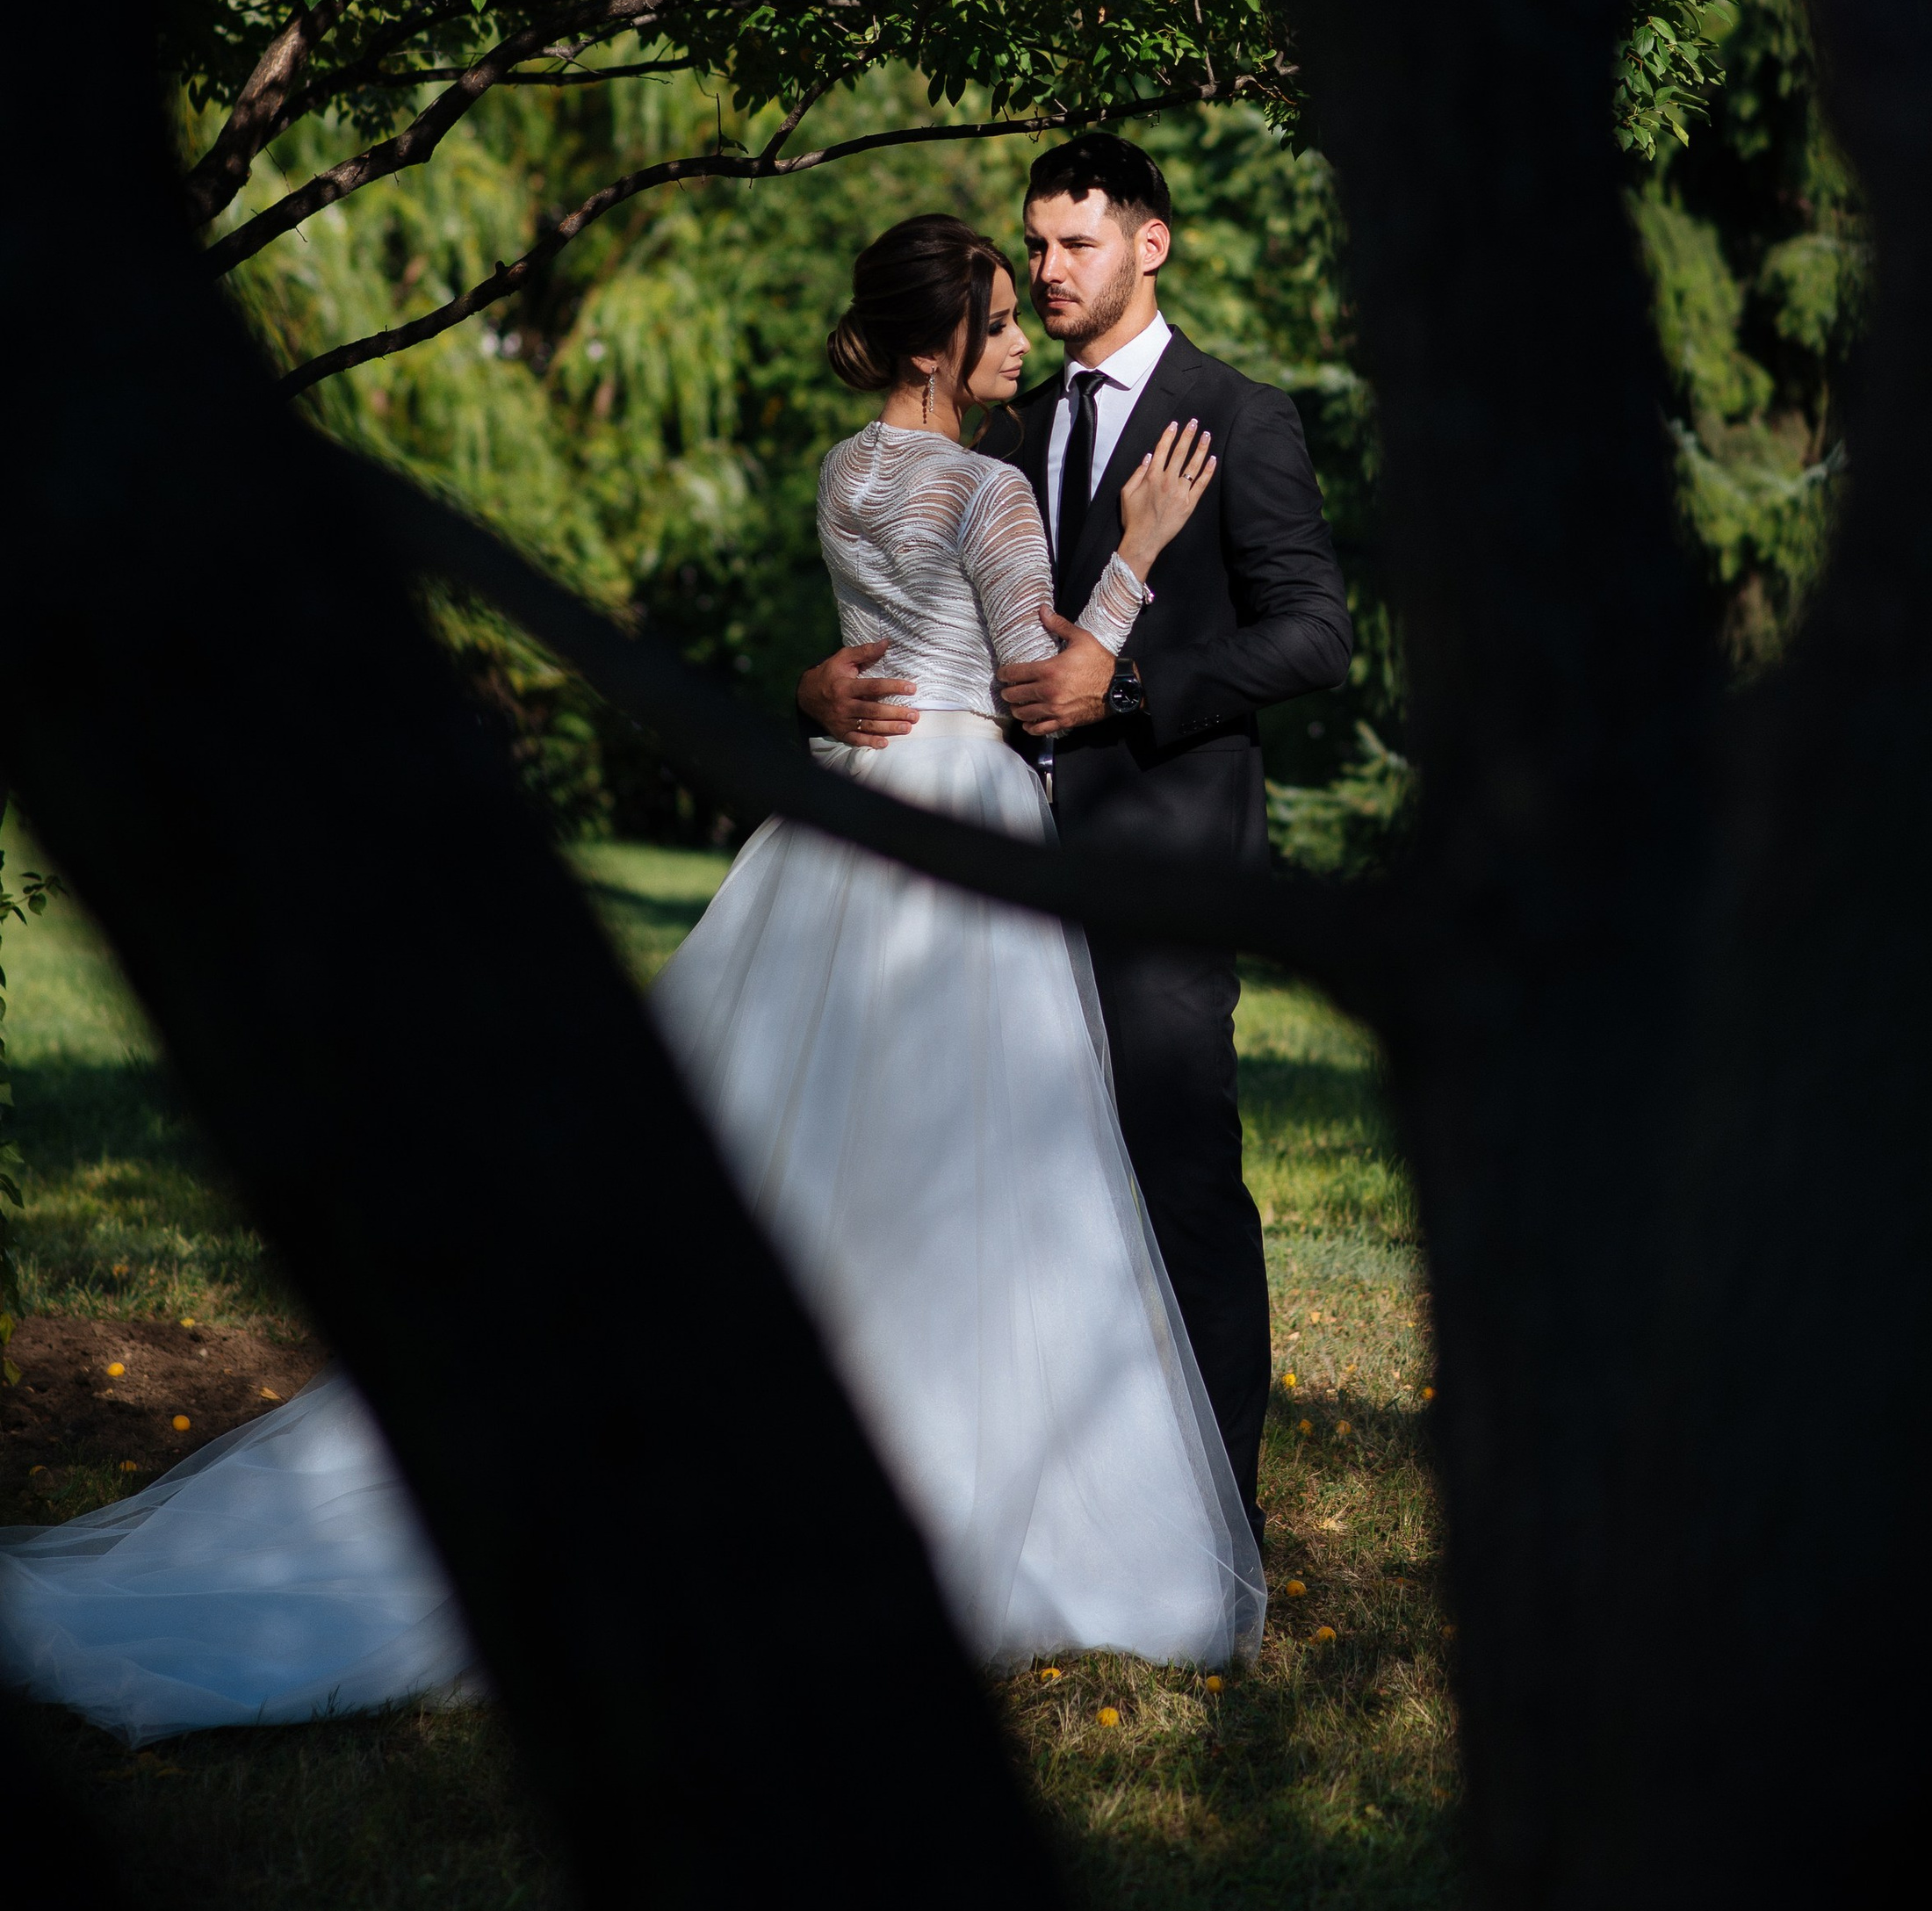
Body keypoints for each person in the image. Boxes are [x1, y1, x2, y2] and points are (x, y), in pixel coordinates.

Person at [0, 214, 1265, 1745]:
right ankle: (978, 1492)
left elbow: (873, 656)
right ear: (946, 345)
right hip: (959, 834)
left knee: (807, 1150)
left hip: (848, 830)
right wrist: (1134, 553)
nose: (1017, 344)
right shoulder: (990, 485)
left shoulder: (846, 472)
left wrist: (819, 702)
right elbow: (1038, 697)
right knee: (983, 1163)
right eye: (999, 323)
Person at [797, 138, 1353, 1536]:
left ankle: (1212, 1520)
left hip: (1156, 854)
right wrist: (824, 683)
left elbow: (1315, 635)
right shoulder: (1012, 426)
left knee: (1176, 1174)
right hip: (985, 859)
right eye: (1033, 247)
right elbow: (934, 605)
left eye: (1074, 245)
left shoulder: (1241, 416)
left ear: (1149, 246)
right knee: (1015, 1189)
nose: (1045, 270)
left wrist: (1146, 683)